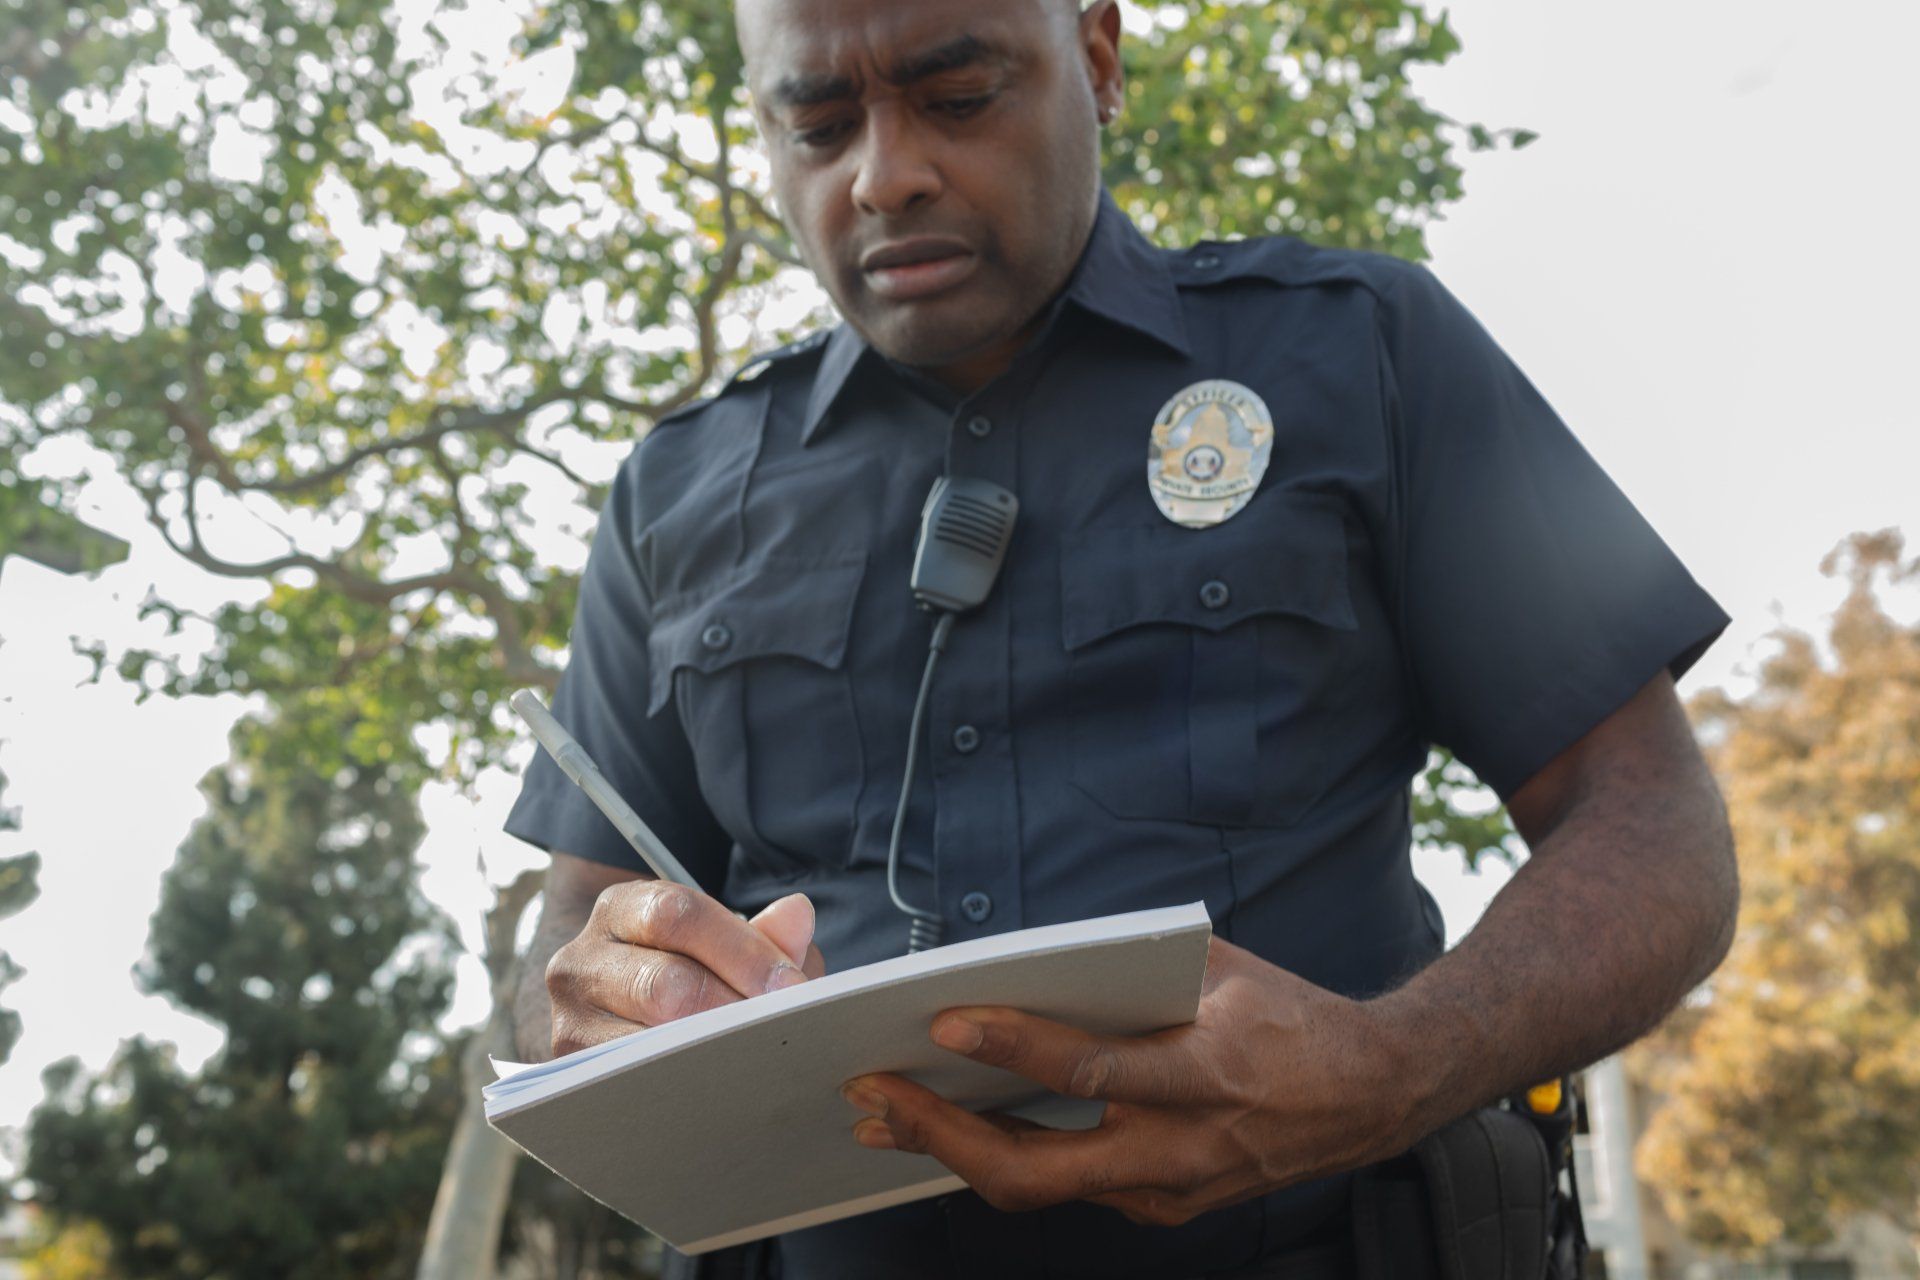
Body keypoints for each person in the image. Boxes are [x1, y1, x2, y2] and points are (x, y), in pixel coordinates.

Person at [503, 0, 1738, 1275]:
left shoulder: (1361, 353)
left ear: (1097, 56)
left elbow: (1654, 829)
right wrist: (599, 995)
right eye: (816, 122)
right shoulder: (676, 488)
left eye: (959, 95)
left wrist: (1390, 1068)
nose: (884, 173)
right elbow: (574, 924)